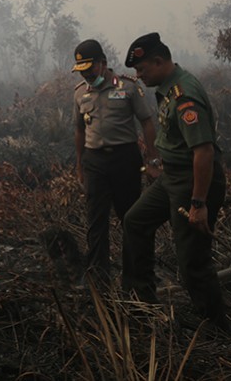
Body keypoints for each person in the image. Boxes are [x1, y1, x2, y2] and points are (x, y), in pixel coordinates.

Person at [122, 32, 230, 330]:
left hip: (192, 181)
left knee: (192, 262)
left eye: (142, 70)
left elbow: (204, 151)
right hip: (172, 177)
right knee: (135, 221)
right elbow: (174, 139)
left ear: (159, 62)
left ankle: (216, 325)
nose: (139, 77)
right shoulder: (167, 87)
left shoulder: (184, 94)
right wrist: (158, 162)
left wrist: (198, 203)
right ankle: (143, 299)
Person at [72, 39, 159, 286]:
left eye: (90, 68)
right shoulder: (80, 92)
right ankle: (99, 281)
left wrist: (152, 158)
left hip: (125, 160)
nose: (87, 74)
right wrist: (80, 165)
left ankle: (135, 280)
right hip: (94, 162)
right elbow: (79, 130)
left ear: (103, 63)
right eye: (82, 70)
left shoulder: (128, 88)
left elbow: (147, 122)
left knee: (130, 218)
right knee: (95, 222)